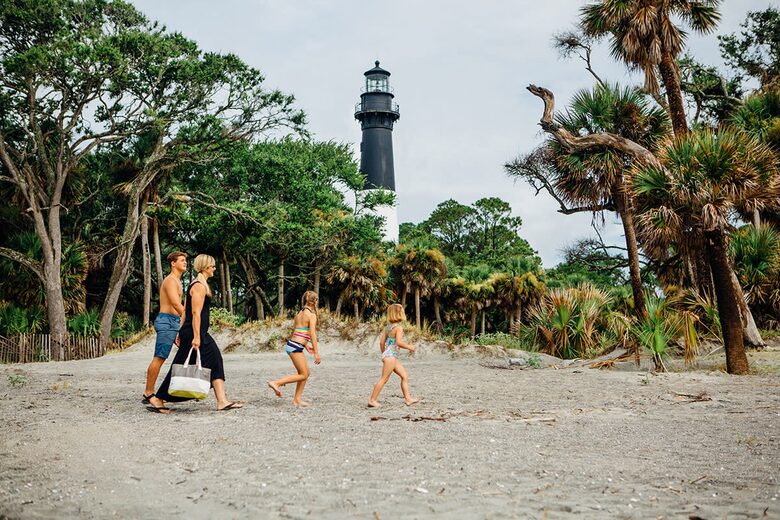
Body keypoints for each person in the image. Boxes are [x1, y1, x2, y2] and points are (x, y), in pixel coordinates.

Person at [147, 254, 243, 413]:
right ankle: (158, 398)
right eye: (211, 266)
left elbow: (184, 312)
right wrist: (196, 336)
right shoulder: (198, 285)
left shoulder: (201, 284)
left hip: (195, 331)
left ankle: (222, 401)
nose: (213, 268)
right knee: (180, 365)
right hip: (194, 332)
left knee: (215, 359)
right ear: (205, 267)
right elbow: (195, 313)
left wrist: (179, 329)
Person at [142, 251, 187, 403]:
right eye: (181, 260)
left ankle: (181, 389)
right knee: (160, 357)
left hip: (175, 321)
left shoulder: (178, 280)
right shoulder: (170, 281)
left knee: (186, 351)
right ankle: (148, 393)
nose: (185, 262)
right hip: (167, 322)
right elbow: (175, 303)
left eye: (185, 260)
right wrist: (188, 318)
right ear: (173, 263)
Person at [267, 291, 321, 406]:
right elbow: (312, 334)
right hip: (295, 346)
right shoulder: (312, 315)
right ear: (315, 301)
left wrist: (306, 345)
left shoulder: (300, 313)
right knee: (303, 374)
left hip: (293, 344)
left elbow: (298, 331)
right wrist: (316, 353)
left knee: (305, 373)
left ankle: (297, 399)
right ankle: (277, 383)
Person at [367, 303, 419, 408]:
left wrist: (384, 355)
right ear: (399, 314)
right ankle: (372, 400)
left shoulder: (387, 327)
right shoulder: (399, 328)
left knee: (404, 376)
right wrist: (410, 347)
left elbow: (381, 343)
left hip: (389, 355)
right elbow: (399, 342)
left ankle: (408, 399)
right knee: (384, 379)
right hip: (391, 356)